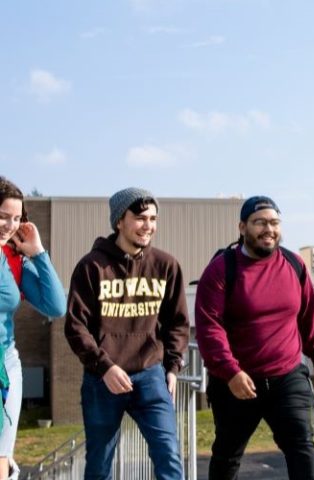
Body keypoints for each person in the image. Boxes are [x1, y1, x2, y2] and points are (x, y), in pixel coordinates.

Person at [195, 195, 314, 480]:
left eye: (274, 222)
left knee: (301, 447)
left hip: (287, 377)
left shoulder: (294, 265)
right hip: (237, 382)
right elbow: (210, 328)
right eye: (260, 223)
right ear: (242, 227)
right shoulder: (221, 269)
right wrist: (231, 372)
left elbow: (307, 317)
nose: (268, 229)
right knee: (227, 456)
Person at [64, 187, 189, 480]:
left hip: (150, 375)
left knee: (168, 453)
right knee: (100, 463)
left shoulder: (166, 265)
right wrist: (104, 367)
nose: (148, 226)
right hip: (102, 379)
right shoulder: (91, 267)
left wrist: (172, 366)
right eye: (140, 218)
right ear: (120, 220)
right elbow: (75, 326)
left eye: (153, 218)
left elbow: (178, 322)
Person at [0, 176, 66, 479]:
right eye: (3, 216)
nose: (10, 225)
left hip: (6, 367)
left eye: (16, 217)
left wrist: (38, 253)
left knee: (2, 460)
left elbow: (55, 306)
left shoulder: (13, 259)